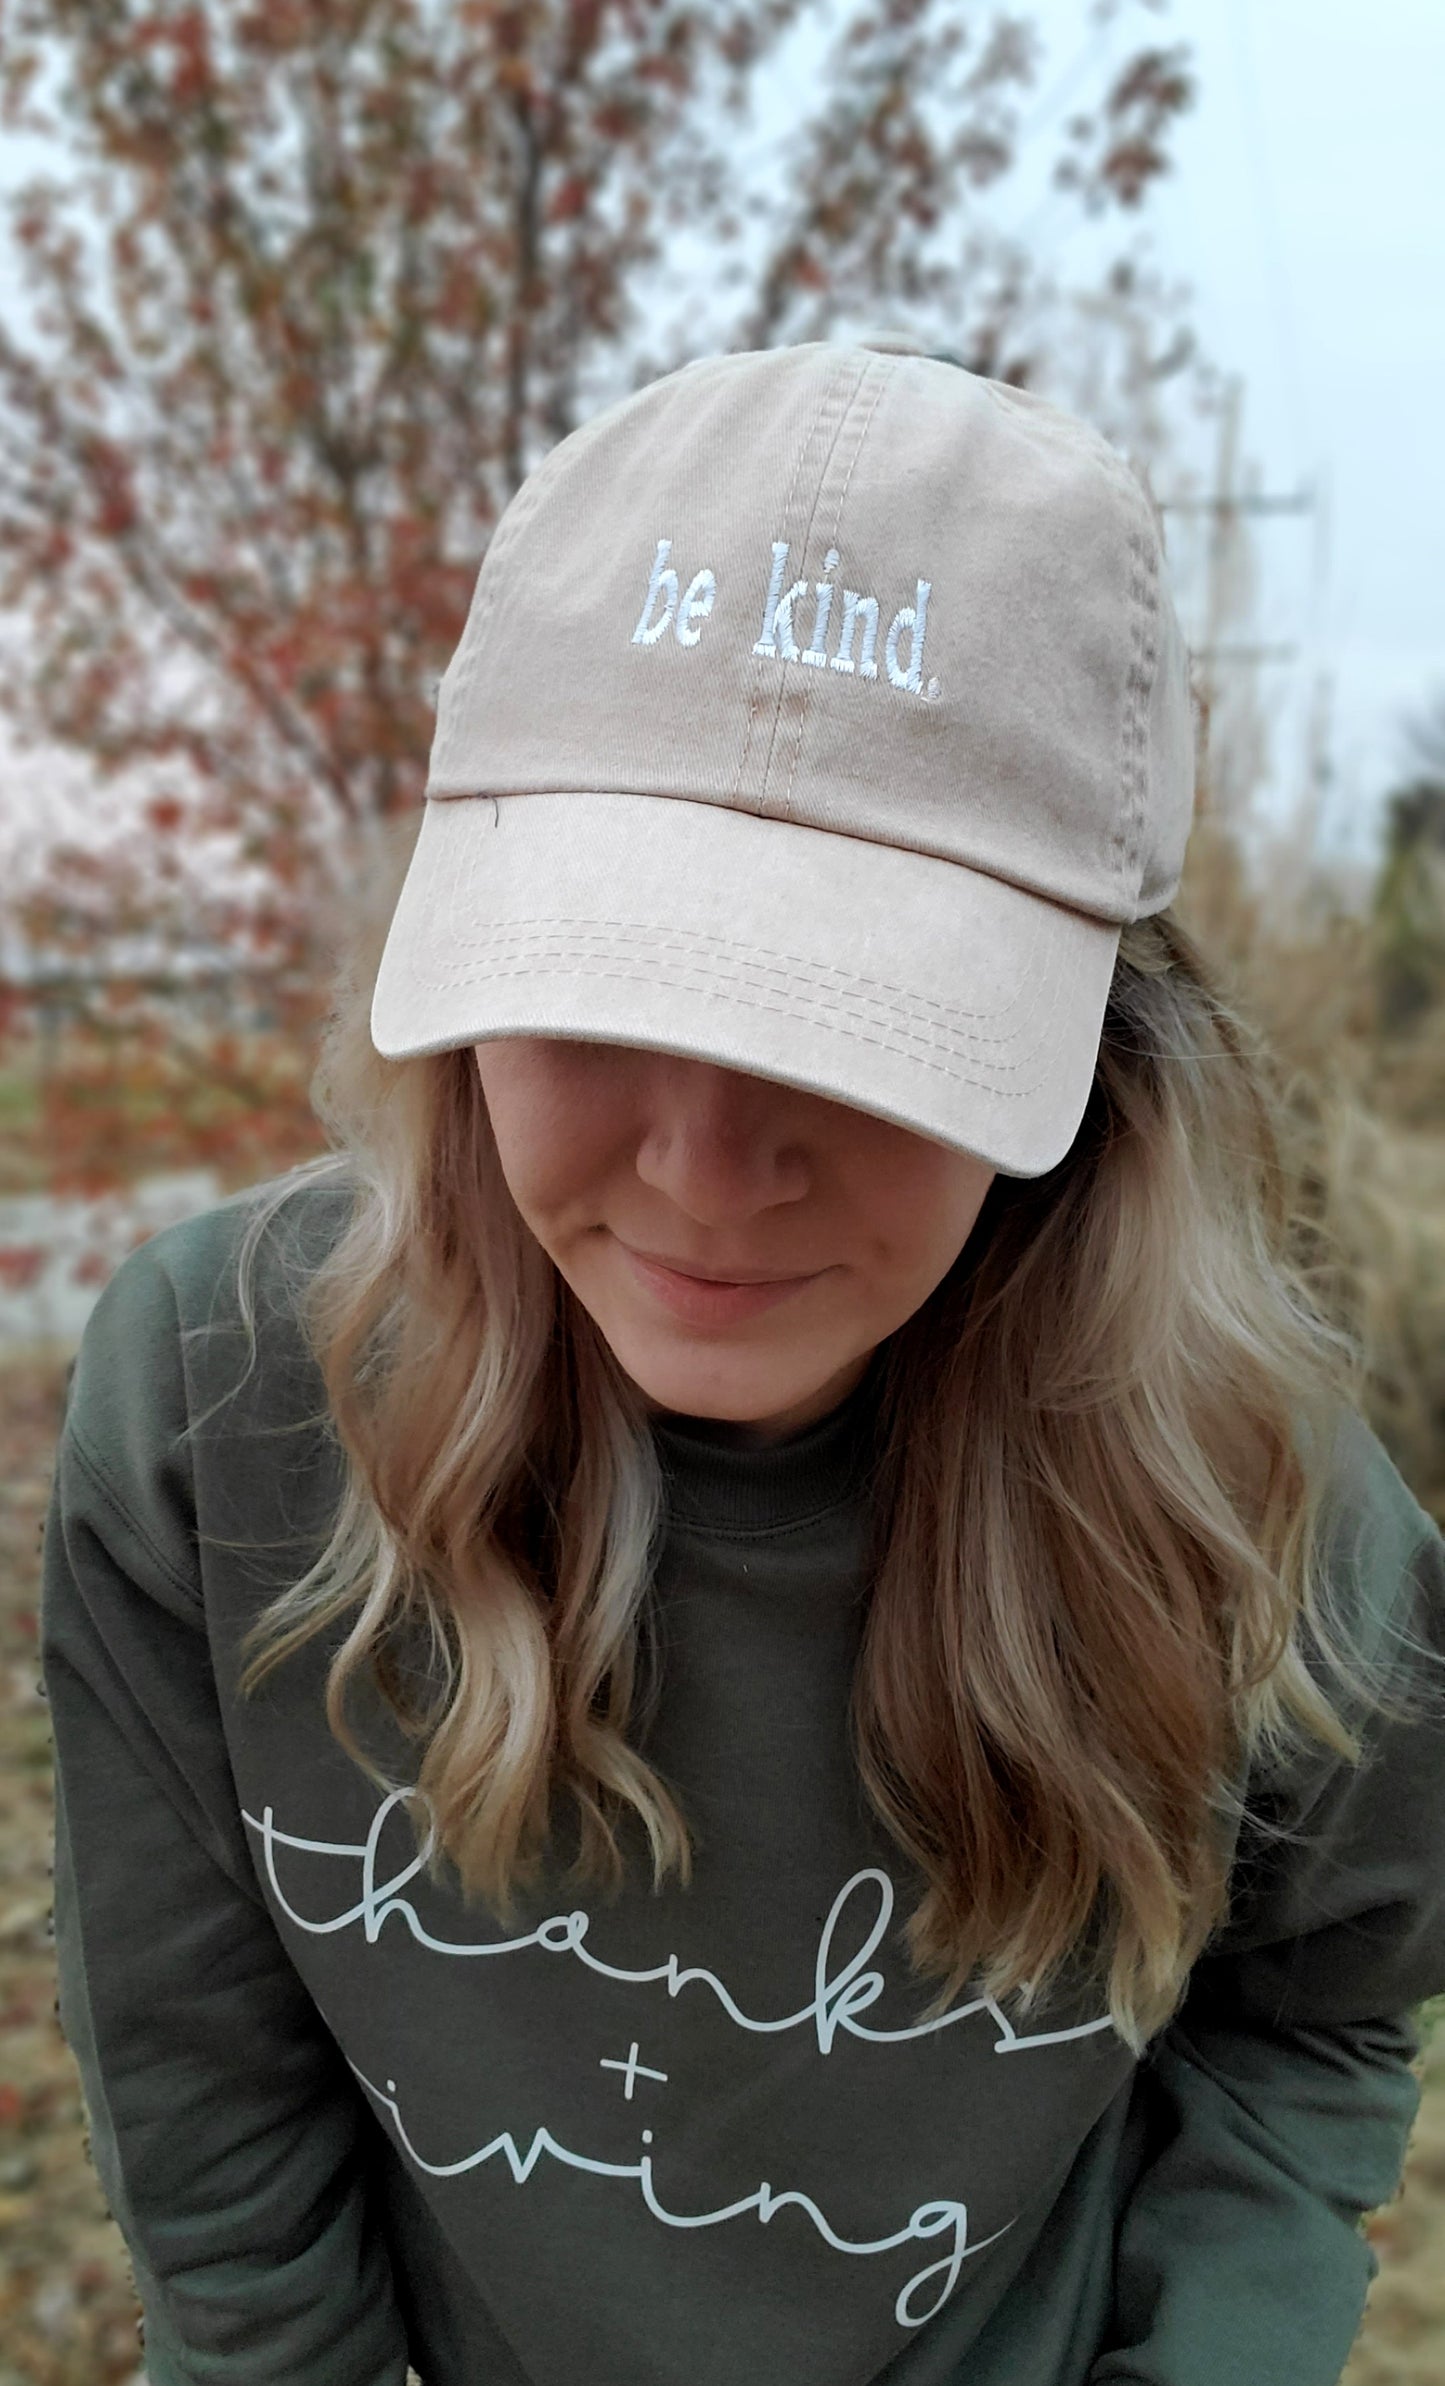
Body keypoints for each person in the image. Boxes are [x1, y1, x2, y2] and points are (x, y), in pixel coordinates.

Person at [41, 333, 1445, 2386]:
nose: (705, 1168)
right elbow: (213, 2118)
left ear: (1092, 1042)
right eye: (605, 985)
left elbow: (1319, 1998)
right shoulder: (216, 1420)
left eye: (858, 1033)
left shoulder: (1273, 1527)